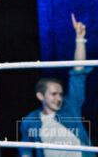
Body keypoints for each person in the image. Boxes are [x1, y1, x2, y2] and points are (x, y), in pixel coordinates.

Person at [19, 14, 94, 157]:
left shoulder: (70, 106)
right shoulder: (30, 121)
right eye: (54, 94)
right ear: (40, 96)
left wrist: (80, 38)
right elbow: (26, 151)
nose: (59, 98)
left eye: (60, 94)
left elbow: (78, 73)